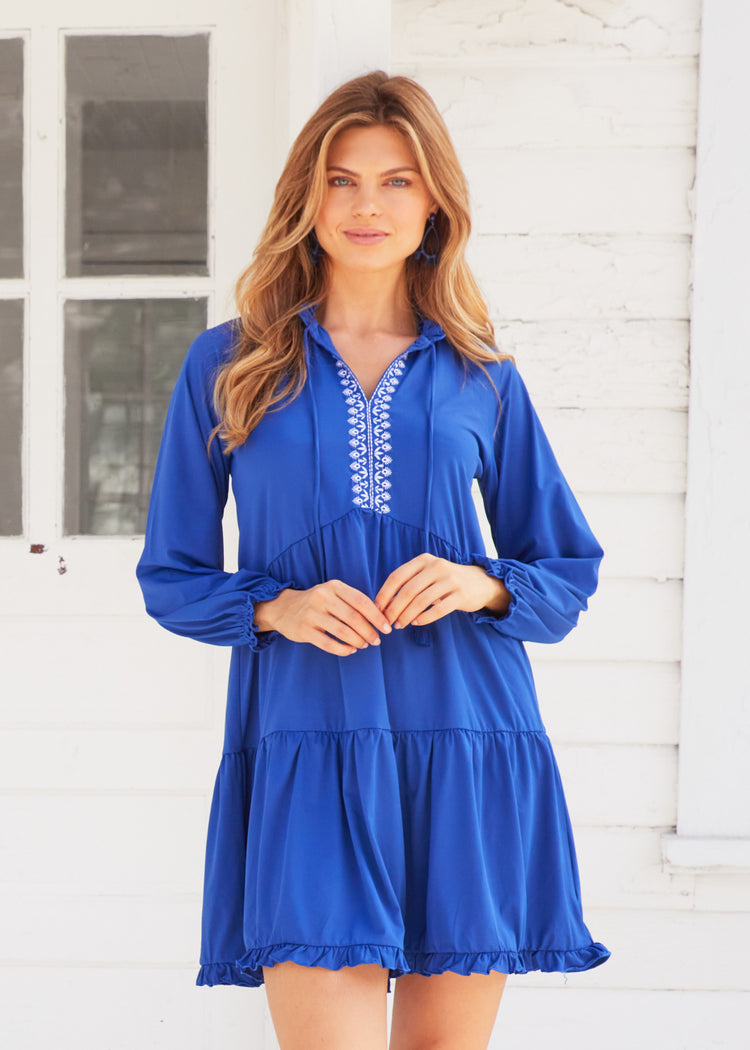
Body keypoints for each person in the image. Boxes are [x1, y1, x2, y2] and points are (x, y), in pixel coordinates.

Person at [136, 70, 609, 1050]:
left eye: (397, 181)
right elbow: (171, 576)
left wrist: (482, 582)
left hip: (467, 744)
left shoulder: (481, 373)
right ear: (306, 198)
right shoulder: (229, 363)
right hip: (306, 742)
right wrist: (276, 609)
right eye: (342, 179)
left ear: (436, 202)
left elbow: (565, 566)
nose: (366, 206)